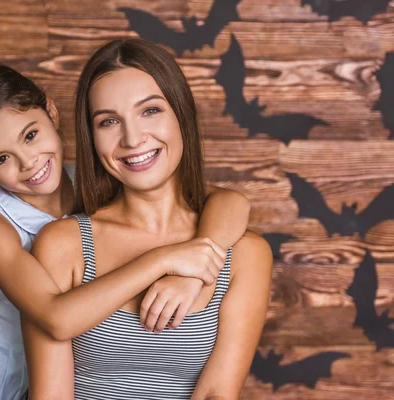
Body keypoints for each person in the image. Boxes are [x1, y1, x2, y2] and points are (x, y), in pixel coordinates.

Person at [0, 63, 252, 399]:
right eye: (2, 159)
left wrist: (194, 272)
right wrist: (162, 260)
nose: (29, 162)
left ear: (51, 111)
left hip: (49, 373)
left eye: (31, 136)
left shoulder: (92, 182)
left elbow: (229, 201)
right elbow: (57, 319)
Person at [22, 38, 273, 400]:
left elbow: (216, 393)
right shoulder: (64, 245)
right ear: (92, 138)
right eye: (109, 121)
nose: (133, 138)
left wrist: (192, 273)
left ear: (181, 115)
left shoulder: (245, 253)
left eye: (150, 111)